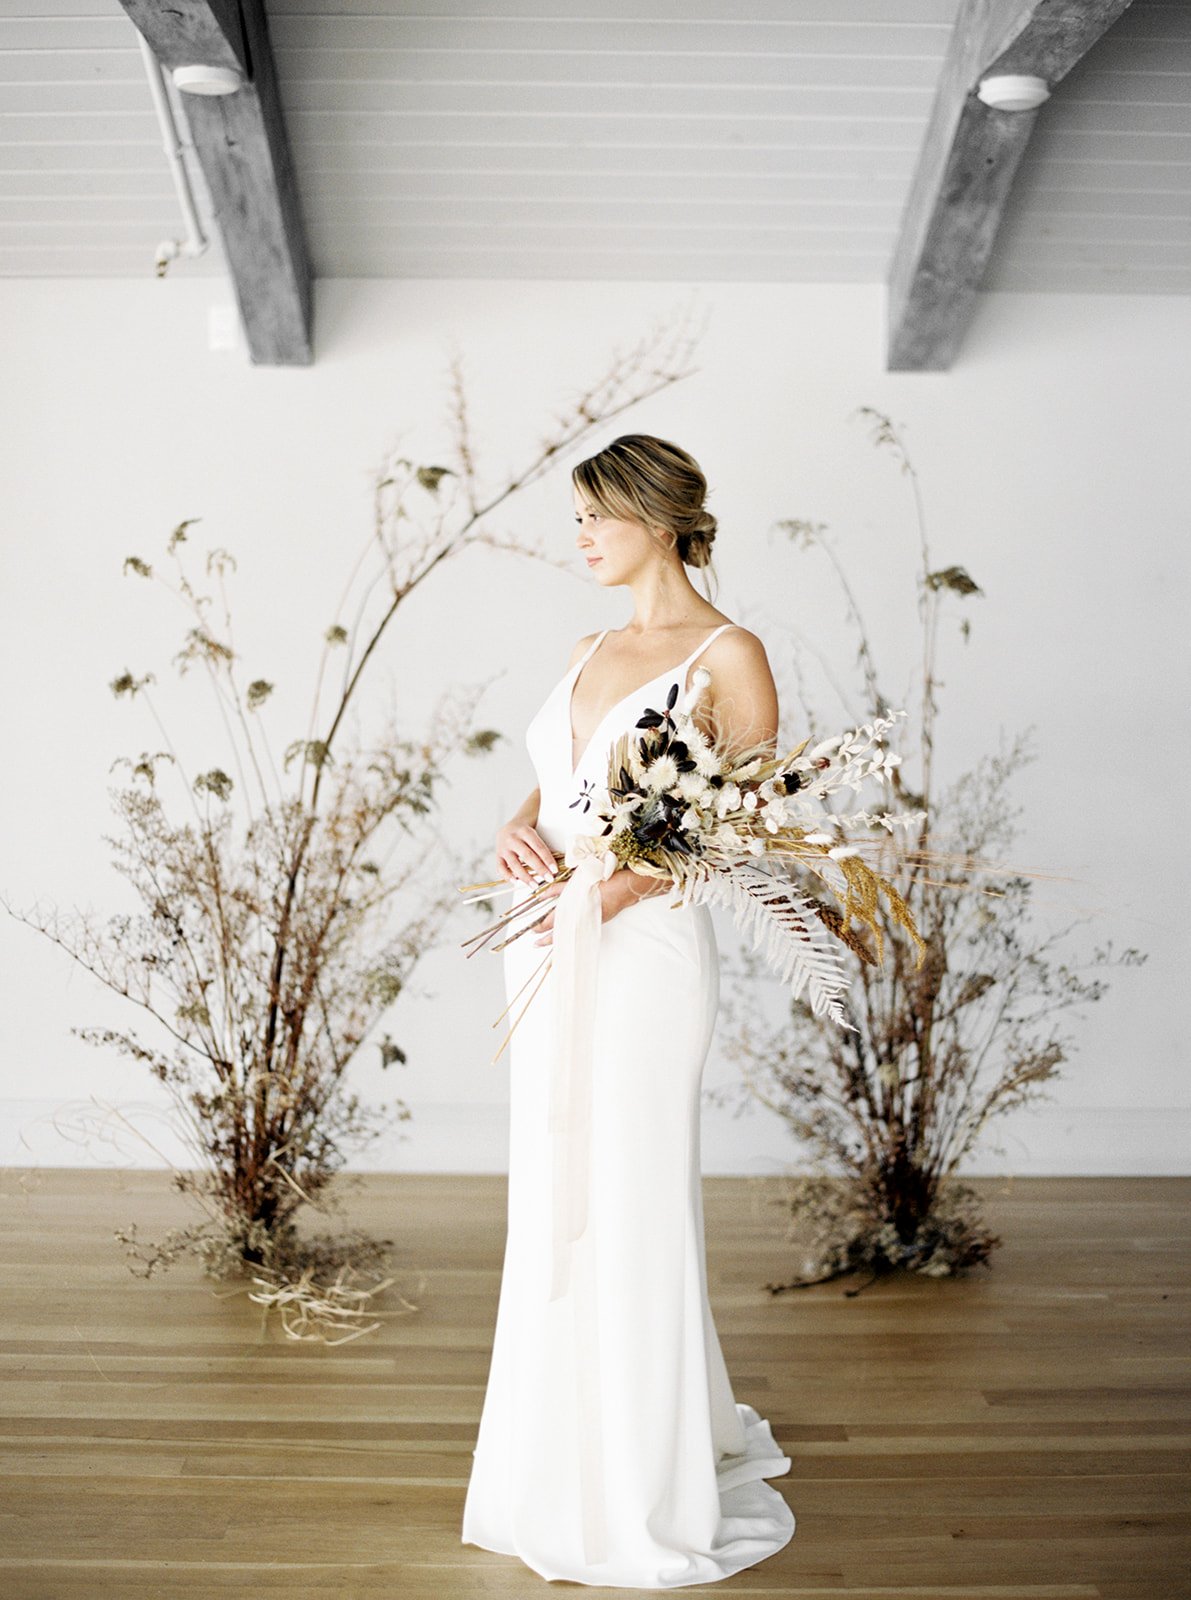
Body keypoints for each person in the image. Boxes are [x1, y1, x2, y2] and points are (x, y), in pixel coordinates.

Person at [460, 433, 797, 1586]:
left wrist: (604, 892)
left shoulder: (727, 651)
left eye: (596, 515)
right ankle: (551, 1459)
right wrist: (517, 825)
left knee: (631, 1191)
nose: (582, 537)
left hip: (638, 948)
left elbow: (732, 818)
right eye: (578, 520)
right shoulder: (589, 643)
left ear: (659, 516)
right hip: (545, 937)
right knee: (554, 1187)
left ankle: (640, 1483)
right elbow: (561, 776)